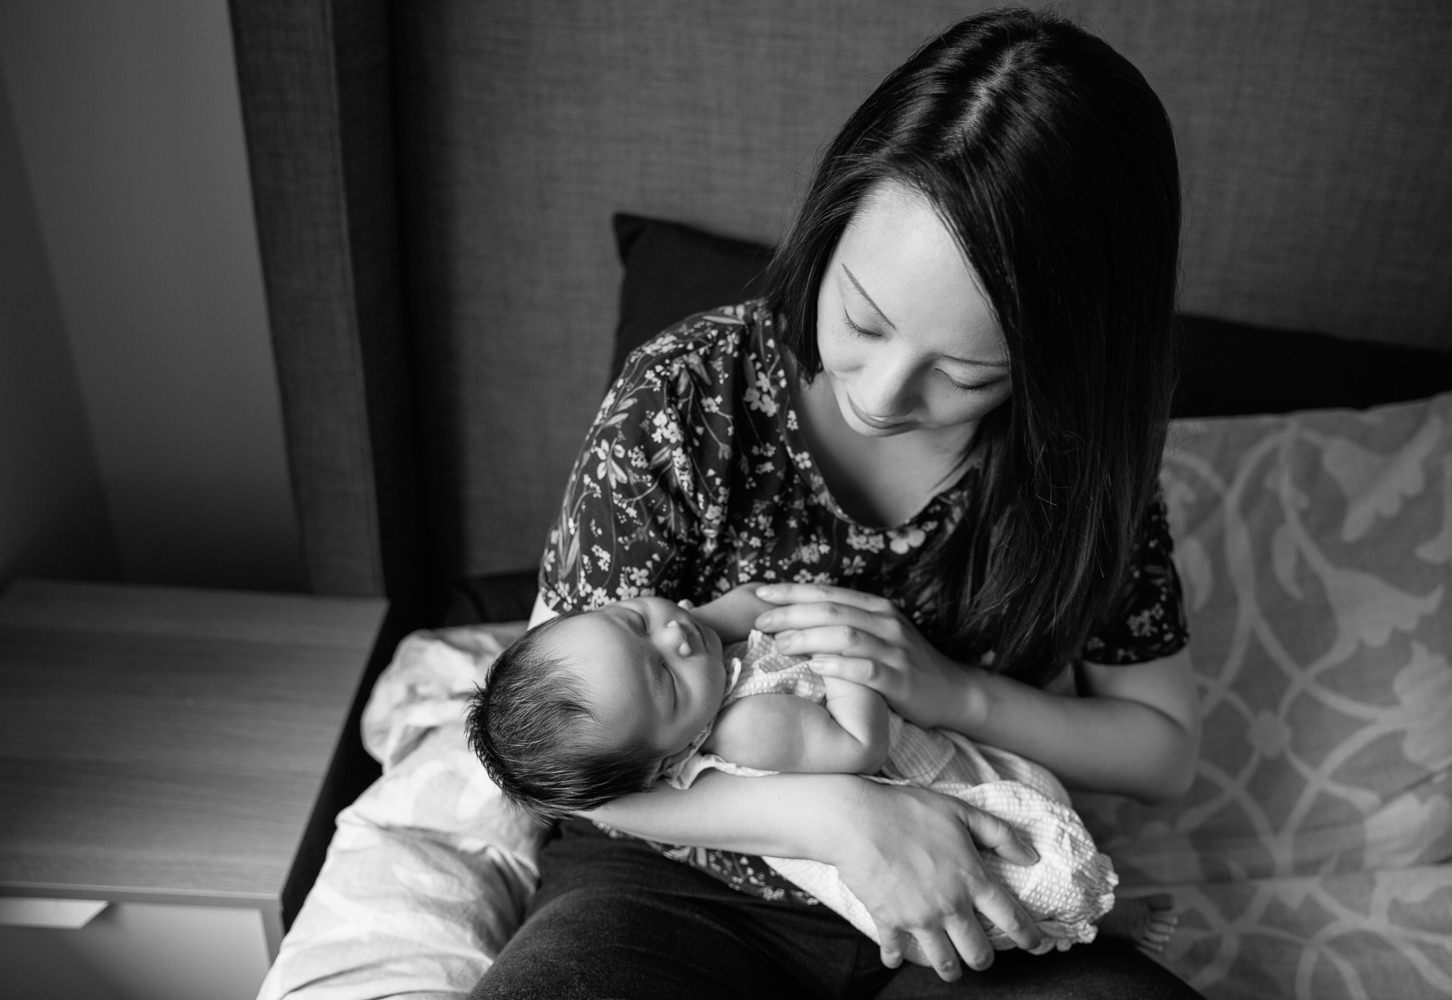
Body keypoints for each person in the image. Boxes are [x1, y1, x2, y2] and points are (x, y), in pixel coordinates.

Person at [472, 8, 1203, 998]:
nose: (882, 393)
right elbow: (557, 763)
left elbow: (1161, 751)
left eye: (964, 373)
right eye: (862, 316)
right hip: (676, 891)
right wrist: (835, 817)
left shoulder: (1077, 471)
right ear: (832, 217)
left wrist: (957, 693)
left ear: (1061, 367)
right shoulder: (689, 399)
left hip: (968, 900)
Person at [466, 588, 1177, 958]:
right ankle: (1100, 919)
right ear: (666, 761)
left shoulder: (700, 666)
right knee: (1022, 863)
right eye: (666, 679)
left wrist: (701, 621)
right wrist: (849, 665)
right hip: (922, 792)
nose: (675, 632)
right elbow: (856, 748)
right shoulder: (749, 723)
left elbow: (749, 603)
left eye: (632, 618)